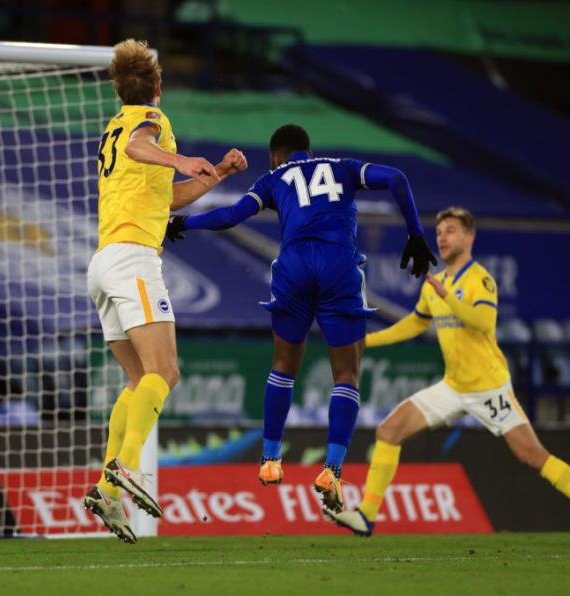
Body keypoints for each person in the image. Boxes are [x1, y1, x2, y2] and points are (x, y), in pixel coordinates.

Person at [166, 124, 435, 512]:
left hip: (293, 266)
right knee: (346, 374)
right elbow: (397, 177)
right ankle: (332, 470)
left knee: (283, 367)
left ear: (276, 156)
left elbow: (229, 215)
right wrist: (415, 234)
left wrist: (183, 223)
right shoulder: (343, 167)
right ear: (308, 151)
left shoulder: (273, 178)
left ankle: (272, 460)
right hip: (338, 264)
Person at [83, 39, 248, 543]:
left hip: (104, 263)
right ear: (158, 87)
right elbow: (142, 145)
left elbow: (166, 200)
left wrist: (215, 173)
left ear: (117, 87)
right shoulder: (148, 121)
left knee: (138, 381)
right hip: (133, 258)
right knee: (166, 371)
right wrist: (182, 158)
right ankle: (127, 469)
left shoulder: (111, 128)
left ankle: (107, 489)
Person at [326, 206, 570, 536]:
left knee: (532, 455)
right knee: (389, 430)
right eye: (439, 232)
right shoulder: (435, 283)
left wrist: (450, 298)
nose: (442, 237)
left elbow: (484, 322)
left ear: (469, 237)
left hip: (489, 387)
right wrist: (367, 341)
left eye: (451, 231)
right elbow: (416, 323)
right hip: (453, 387)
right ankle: (366, 515)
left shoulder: (480, 279)